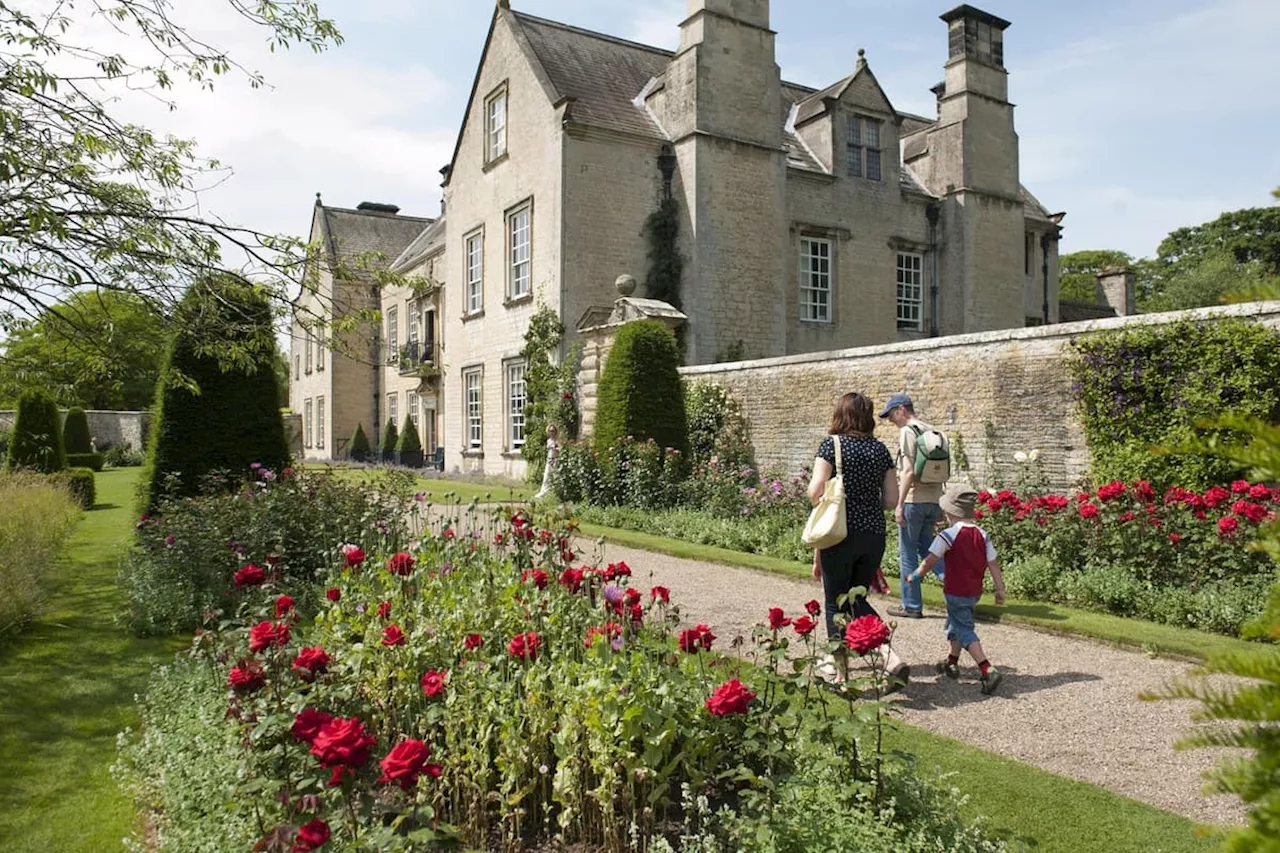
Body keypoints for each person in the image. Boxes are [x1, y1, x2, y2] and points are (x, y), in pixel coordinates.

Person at [808, 392, 910, 688]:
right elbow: (891, 500)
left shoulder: (832, 445)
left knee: (834, 602)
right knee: (858, 598)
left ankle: (840, 674)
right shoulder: (880, 450)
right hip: (873, 534)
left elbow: (815, 491)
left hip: (840, 533)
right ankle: (889, 656)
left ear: (841, 414)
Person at [908, 484, 1007, 694]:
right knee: (956, 622)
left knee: (964, 629)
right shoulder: (982, 534)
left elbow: (930, 560)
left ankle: (987, 669)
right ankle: (952, 663)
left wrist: (916, 575)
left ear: (949, 510)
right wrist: (1000, 588)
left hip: (955, 590)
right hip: (973, 591)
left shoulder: (948, 535)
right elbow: (994, 563)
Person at [880, 392, 944, 619]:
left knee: (908, 554)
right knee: (929, 549)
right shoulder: (933, 430)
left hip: (913, 501)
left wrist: (899, 504)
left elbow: (907, 471)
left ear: (901, 410)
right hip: (933, 499)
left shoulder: (908, 431)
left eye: (891, 416)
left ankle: (911, 606)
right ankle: (959, 590)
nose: (890, 421)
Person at [533, 424, 559, 500]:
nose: (552, 432)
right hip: (550, 460)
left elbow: (559, 449)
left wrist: (557, 448)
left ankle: (553, 493)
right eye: (550, 431)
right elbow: (552, 448)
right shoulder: (549, 441)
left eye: (553, 431)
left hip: (556, 460)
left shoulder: (557, 441)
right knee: (546, 476)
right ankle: (543, 492)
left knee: (555, 477)